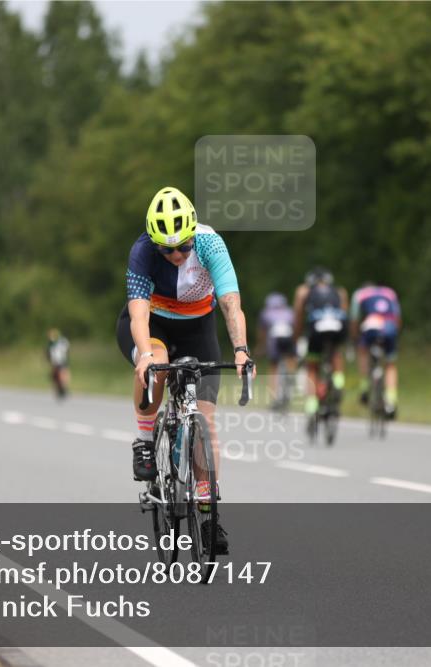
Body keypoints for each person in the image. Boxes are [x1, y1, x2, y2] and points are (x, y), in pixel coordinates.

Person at [116, 186, 253, 554]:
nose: (176, 255)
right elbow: (138, 314)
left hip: (197, 327)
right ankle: (145, 442)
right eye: (167, 249)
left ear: (193, 235)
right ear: (154, 243)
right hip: (155, 325)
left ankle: (208, 515)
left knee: (206, 425)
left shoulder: (210, 244)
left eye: (182, 247)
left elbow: (230, 303)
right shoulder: (142, 251)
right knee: (156, 367)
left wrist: (240, 349)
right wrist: (145, 354)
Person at [292, 267, 348, 420]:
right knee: (335, 352)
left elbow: (298, 316)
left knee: (312, 365)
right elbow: (344, 313)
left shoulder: (303, 291)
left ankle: (311, 404)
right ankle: (338, 381)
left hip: (317, 326)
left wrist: (296, 337)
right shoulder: (340, 291)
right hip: (338, 325)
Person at [351, 282, 402, 417]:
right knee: (390, 364)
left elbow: (354, 319)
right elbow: (397, 317)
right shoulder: (390, 292)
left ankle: (364, 387)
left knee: (362, 352)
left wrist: (355, 338)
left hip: (371, 326)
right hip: (390, 326)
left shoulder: (359, 294)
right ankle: (391, 400)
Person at [257, 292, 295, 410]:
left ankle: (274, 398)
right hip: (289, 337)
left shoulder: (266, 313)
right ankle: (291, 374)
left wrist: (261, 347)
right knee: (290, 359)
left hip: (275, 339)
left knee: (273, 367)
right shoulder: (290, 312)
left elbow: (262, 333)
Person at [46, 328, 71, 399]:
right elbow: (49, 354)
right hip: (56, 361)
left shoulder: (60, 342)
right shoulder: (52, 344)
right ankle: (59, 389)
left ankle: (63, 388)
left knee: (63, 373)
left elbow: (66, 350)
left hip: (61, 361)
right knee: (55, 375)